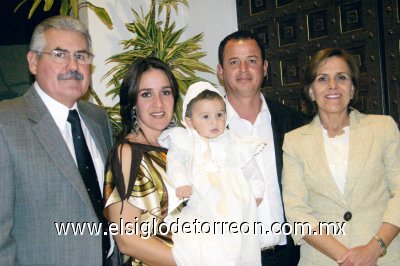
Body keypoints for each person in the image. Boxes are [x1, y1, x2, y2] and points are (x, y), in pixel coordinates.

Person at [0, 16, 116, 265]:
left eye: (81, 56)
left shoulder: (99, 119)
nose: (73, 65)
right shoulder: (6, 123)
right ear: (33, 61)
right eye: (60, 55)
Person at [282, 48, 400, 265]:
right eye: (322, 79)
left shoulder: (383, 128)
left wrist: (374, 249)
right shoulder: (294, 142)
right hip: (323, 260)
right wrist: (346, 258)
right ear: (310, 91)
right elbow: (297, 213)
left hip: (382, 257)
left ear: (353, 89)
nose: (332, 86)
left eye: (341, 78)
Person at [217, 30, 304, 265]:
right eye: (234, 62)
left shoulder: (295, 124)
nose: (243, 69)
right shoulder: (204, 130)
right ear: (221, 71)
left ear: (264, 68)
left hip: (291, 256)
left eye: (252, 61)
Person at [158, 81, 264, 265]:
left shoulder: (233, 141)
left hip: (236, 207)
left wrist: (256, 192)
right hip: (204, 205)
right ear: (190, 121)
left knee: (241, 245)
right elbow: (175, 162)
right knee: (206, 246)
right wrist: (182, 182)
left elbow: (250, 168)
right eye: (205, 117)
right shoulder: (187, 141)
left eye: (219, 115)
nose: (214, 122)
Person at [103, 57, 180, 266]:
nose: (159, 103)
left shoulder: (180, 148)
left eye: (165, 92)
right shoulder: (127, 153)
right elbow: (126, 240)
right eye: (146, 94)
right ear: (133, 103)